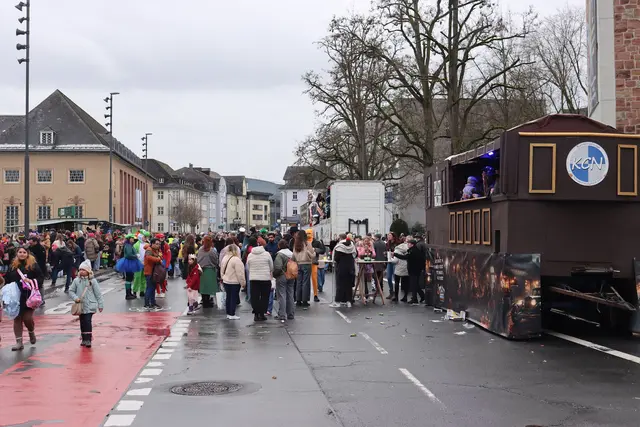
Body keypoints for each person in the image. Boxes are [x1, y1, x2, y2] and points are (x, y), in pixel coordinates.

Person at [4, 247, 44, 351]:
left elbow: (41, 278)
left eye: (24, 252)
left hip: (28, 296)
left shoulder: (33, 265)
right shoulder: (12, 266)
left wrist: (31, 281)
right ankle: (19, 342)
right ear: (17, 253)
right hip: (16, 297)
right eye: (20, 252)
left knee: (27, 318)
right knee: (17, 318)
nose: (22, 254)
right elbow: (7, 280)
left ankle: (31, 331)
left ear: (27, 253)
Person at [68, 260, 104, 348]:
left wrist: (100, 305)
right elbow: (71, 291)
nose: (81, 271)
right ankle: (83, 338)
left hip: (90, 305)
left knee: (87, 321)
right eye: (80, 269)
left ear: (88, 271)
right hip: (81, 306)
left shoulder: (92, 281)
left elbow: (98, 294)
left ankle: (88, 339)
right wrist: (75, 298)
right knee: (82, 322)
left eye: (83, 270)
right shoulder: (76, 281)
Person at [246, 239, 274, 322]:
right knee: (265, 297)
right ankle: (262, 314)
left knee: (255, 297)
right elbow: (271, 266)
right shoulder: (267, 254)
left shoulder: (250, 255)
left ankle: (256, 314)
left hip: (254, 279)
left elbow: (248, 266)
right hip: (265, 278)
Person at [393, 237, 425, 304]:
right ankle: (421, 296)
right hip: (416, 269)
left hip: (413, 269)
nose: (407, 244)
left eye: (409, 243)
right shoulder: (415, 250)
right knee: (415, 284)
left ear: (412, 244)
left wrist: (395, 254)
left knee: (414, 284)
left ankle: (415, 298)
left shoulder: (412, 251)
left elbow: (404, 257)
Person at [220, 244, 246, 320]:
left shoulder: (225, 258)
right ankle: (232, 313)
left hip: (226, 281)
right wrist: (243, 283)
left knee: (228, 297)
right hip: (234, 282)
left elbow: (222, 270)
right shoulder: (236, 260)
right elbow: (240, 273)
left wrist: (223, 277)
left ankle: (228, 313)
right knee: (233, 298)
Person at [330, 234, 356, 308]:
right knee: (348, 285)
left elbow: (336, 258)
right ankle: (348, 301)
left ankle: (338, 301)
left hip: (341, 267)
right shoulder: (352, 245)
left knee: (340, 285)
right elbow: (355, 255)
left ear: (340, 238)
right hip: (350, 267)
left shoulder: (339, 247)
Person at [115, 234, 143, 300]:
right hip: (129, 262)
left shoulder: (129, 245)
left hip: (130, 262)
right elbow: (128, 255)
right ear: (129, 239)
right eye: (132, 238)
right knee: (129, 278)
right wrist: (136, 256)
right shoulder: (128, 246)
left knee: (130, 278)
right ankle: (128, 294)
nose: (133, 239)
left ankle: (129, 293)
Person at [273, 239, 295, 322]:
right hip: (291, 275)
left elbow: (278, 267)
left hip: (282, 276)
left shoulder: (280, 254)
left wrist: (275, 275)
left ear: (279, 246)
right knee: (290, 294)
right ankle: (291, 314)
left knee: (282, 295)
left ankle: (282, 314)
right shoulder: (292, 254)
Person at [292, 230, 315, 307]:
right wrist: (314, 252)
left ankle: (298, 300)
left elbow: (293, 256)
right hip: (306, 264)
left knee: (299, 282)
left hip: (298, 264)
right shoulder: (307, 243)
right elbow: (312, 255)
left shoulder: (296, 244)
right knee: (306, 282)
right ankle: (305, 301)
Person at [196, 236, 219, 308]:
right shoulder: (212, 251)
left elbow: (198, 259)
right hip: (210, 270)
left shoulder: (200, 249)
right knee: (208, 287)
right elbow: (215, 260)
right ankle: (207, 301)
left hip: (201, 270)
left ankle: (204, 300)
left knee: (203, 286)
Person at [144, 238, 163, 310]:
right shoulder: (149, 250)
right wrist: (158, 259)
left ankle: (152, 302)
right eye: (157, 244)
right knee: (150, 288)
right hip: (149, 271)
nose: (158, 245)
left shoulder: (156, 250)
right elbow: (148, 257)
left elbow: (160, 256)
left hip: (154, 272)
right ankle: (147, 304)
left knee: (153, 288)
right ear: (152, 244)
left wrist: (160, 257)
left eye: (159, 244)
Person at [132, 231, 150, 297]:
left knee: (144, 278)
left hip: (145, 263)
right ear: (140, 236)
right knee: (137, 277)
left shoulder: (147, 244)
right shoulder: (136, 245)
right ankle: (135, 291)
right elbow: (134, 254)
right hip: (138, 264)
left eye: (146, 237)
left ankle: (142, 291)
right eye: (144, 237)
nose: (146, 238)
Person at [385, 232, 398, 299]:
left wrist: (394, 253)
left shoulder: (397, 244)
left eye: (390, 235)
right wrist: (385, 253)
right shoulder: (387, 243)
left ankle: (396, 293)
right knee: (389, 277)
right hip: (389, 261)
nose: (388, 236)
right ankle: (391, 291)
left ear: (393, 236)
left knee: (395, 277)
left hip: (395, 261)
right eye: (388, 235)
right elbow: (386, 250)